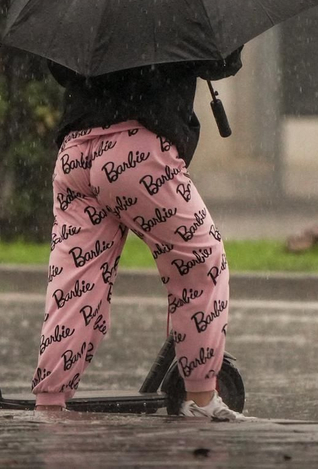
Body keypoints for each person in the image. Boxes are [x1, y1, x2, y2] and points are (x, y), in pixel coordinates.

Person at [31, 48, 247, 421]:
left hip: (76, 155)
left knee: (77, 285)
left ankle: (50, 402)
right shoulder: (174, 5)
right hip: (137, 152)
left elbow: (61, 67)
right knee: (200, 264)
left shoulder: (88, 3)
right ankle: (200, 400)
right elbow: (219, 61)